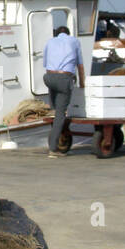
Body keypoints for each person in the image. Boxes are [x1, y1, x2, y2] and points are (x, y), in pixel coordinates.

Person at [42, 25, 84, 156]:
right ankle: (53, 149)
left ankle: (53, 109)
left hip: (48, 78)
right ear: (68, 33)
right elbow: (80, 65)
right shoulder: (74, 41)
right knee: (61, 113)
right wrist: (82, 83)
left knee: (55, 108)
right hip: (64, 78)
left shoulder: (50, 41)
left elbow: (45, 63)